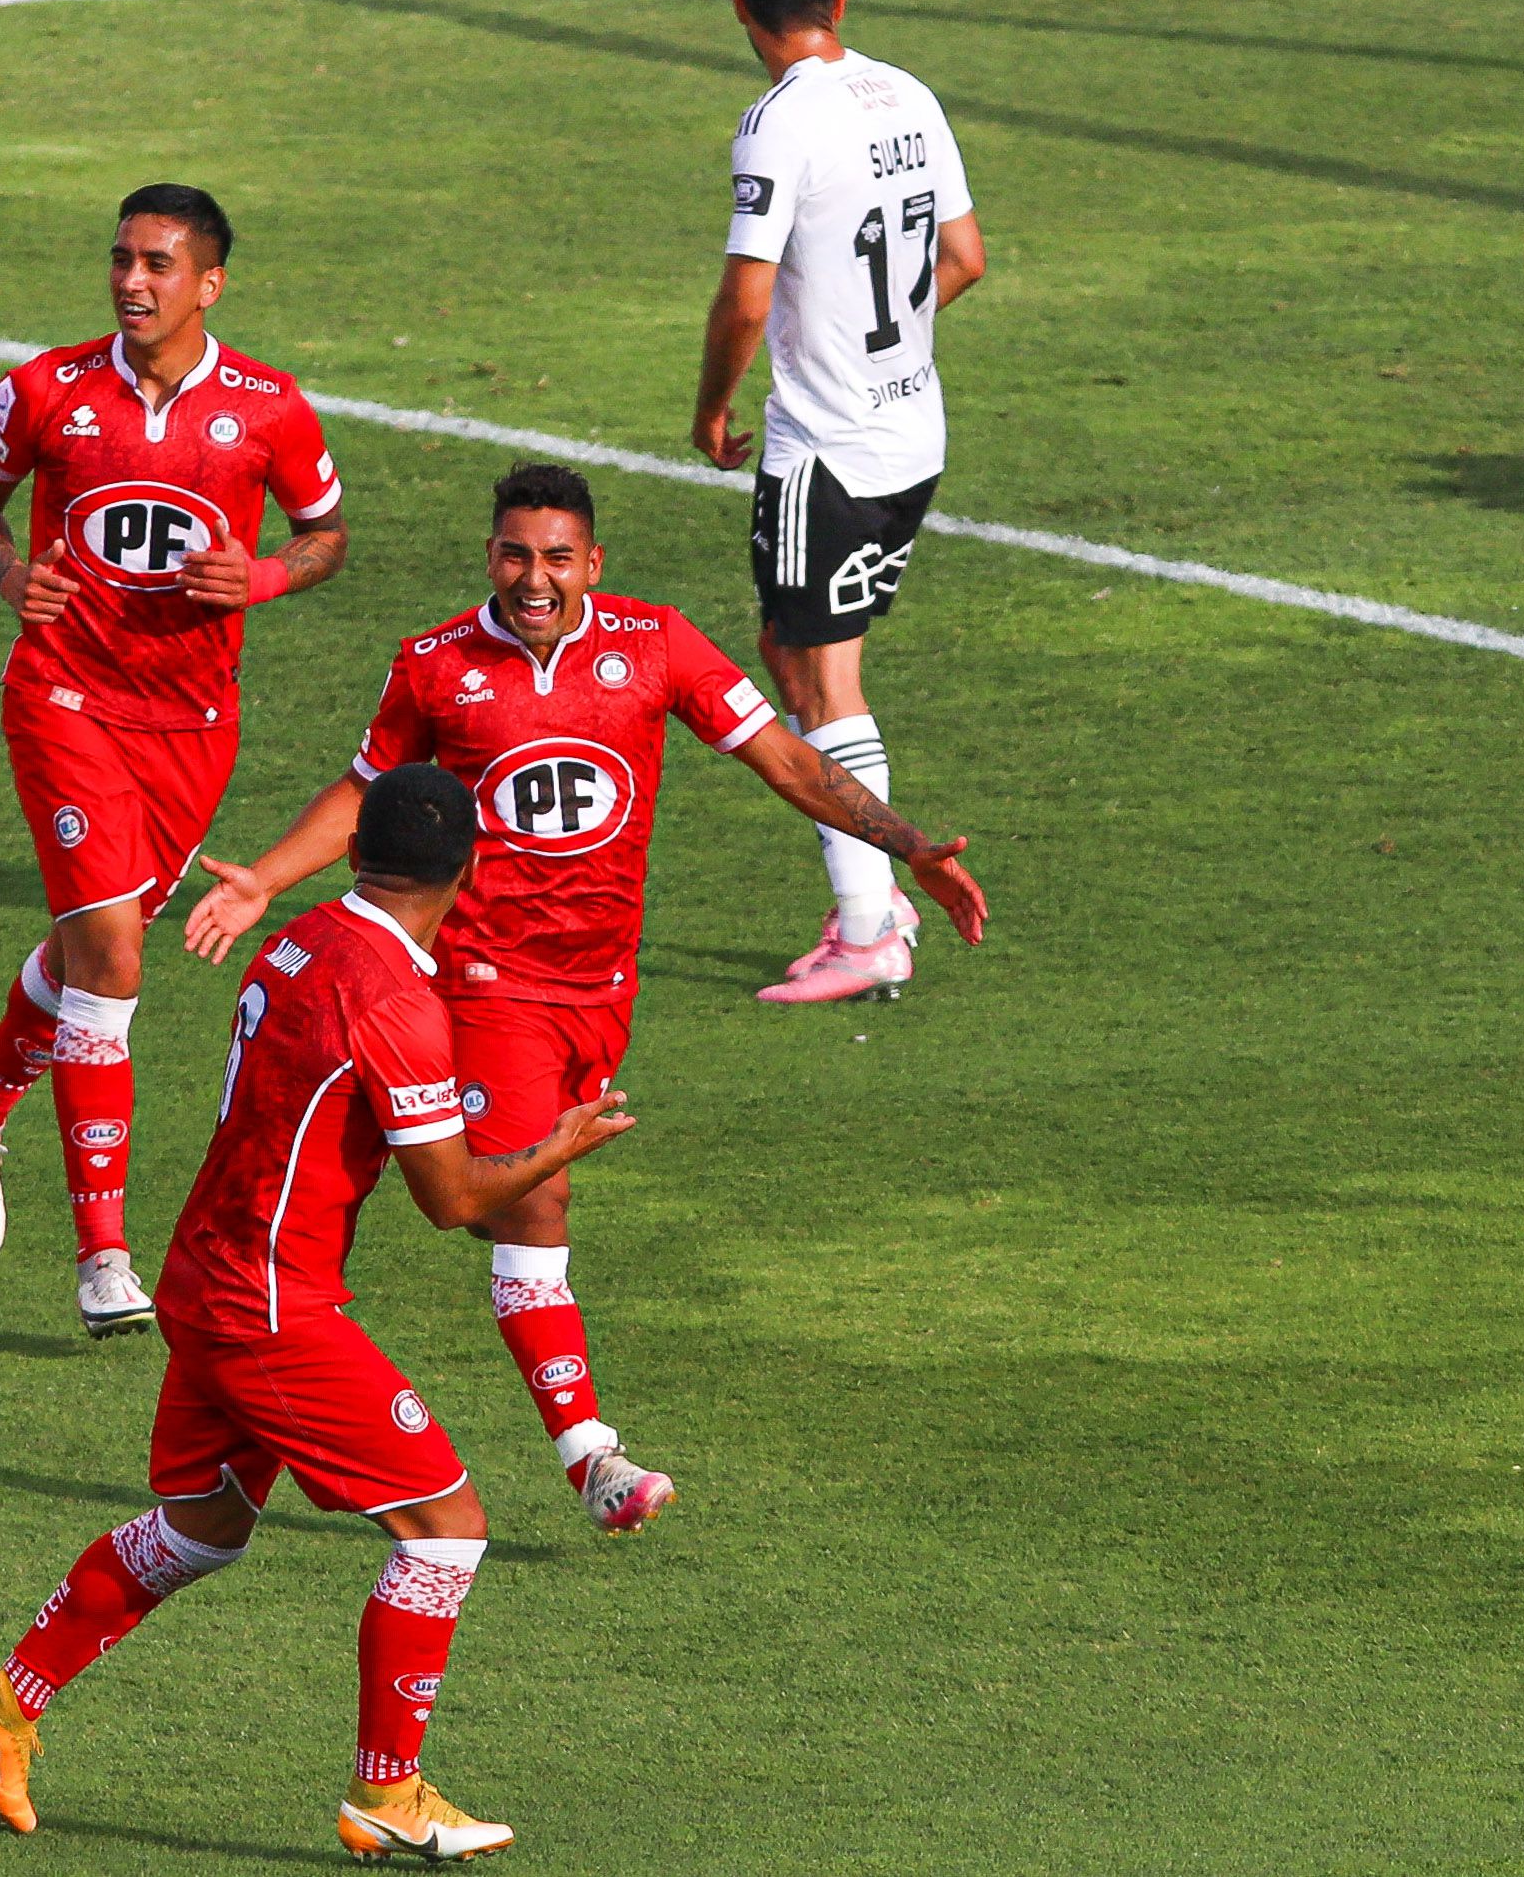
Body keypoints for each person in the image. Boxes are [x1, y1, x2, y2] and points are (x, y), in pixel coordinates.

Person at [185, 464, 985, 1530]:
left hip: (604, 986)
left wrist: (908, 844)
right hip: (487, 983)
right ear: (491, 557)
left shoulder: (656, 647)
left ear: (592, 564)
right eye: (516, 553)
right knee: (536, 1200)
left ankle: (454, 1210)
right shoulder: (435, 664)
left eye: (557, 556)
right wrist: (268, 878)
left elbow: (788, 759)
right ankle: (590, 1455)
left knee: (520, 1208)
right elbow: (366, 786)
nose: (534, 576)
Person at [0, 763, 633, 1862]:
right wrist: (559, 1145)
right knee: (445, 1533)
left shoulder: (303, 937)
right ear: (470, 868)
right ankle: (386, 1794)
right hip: (271, 1303)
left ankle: (4, 1703)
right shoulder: (396, 999)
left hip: (208, 1276)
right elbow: (451, 1199)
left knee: (201, 1529)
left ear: (360, 856)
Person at [0, 183, 349, 1337]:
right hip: (64, 700)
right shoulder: (44, 391)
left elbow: (327, 536)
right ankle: (104, 1255)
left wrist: (261, 577)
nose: (132, 280)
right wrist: (15, 580)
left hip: (195, 726)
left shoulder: (269, 407)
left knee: (87, 944)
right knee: (112, 956)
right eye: (121, 259)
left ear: (209, 282)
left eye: (159, 263)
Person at [690, 0, 986, 1001]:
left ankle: (870, 926)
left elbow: (746, 295)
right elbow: (965, 258)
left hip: (827, 448)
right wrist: (891, 337)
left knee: (821, 676)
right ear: (841, 2)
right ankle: (871, 886)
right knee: (789, 644)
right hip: (914, 430)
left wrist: (713, 408)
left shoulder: (777, 123)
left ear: (742, 11)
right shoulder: (907, 93)